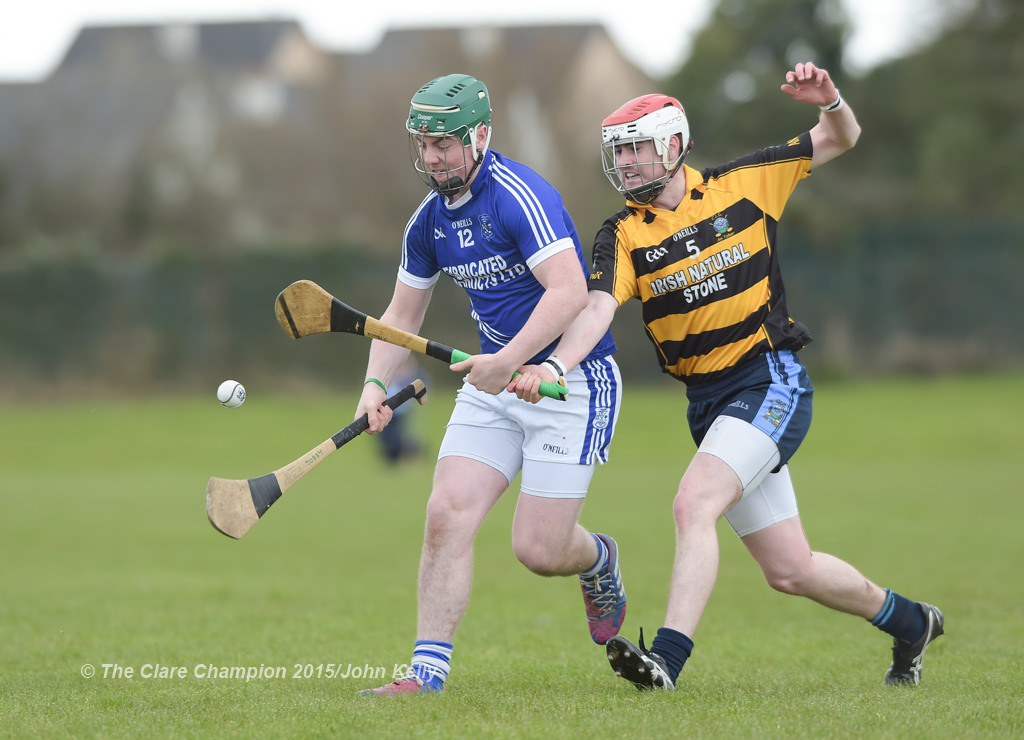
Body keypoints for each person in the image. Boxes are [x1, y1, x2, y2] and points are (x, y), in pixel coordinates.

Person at [511, 62, 943, 690]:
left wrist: (832, 101)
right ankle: (911, 623)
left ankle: (666, 662)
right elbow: (596, 308)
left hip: (769, 380)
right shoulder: (623, 235)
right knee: (791, 569)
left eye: (637, 147)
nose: (627, 162)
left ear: (675, 145)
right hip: (708, 403)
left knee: (694, 504)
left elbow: (840, 137)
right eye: (619, 152)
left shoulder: (744, 182)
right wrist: (554, 363)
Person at [354, 73, 625, 696]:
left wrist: (517, 360)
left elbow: (571, 292)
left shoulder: (517, 196)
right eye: (423, 144)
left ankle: (599, 559)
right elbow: (401, 316)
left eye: (444, 144)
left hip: (572, 382)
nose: (432, 158)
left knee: (539, 550)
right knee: (446, 514)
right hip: (496, 381)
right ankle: (426, 676)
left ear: (479, 137)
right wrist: (374, 384)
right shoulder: (427, 223)